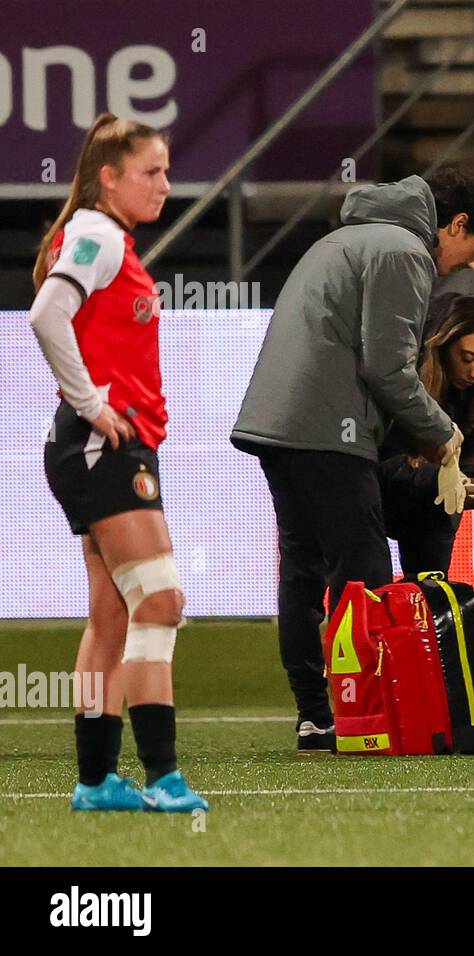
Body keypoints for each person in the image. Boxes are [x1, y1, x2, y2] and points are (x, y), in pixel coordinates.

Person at [231, 167, 474, 753]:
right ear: (455, 224)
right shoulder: (405, 250)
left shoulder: (352, 238)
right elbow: (388, 369)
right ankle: (377, 718)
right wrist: (447, 436)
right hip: (327, 429)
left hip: (279, 423)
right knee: (367, 581)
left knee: (304, 576)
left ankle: (317, 716)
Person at [29, 113, 206, 811]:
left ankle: (97, 780)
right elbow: (46, 314)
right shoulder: (99, 235)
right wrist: (94, 403)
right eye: (151, 172)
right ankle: (163, 777)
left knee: (111, 616)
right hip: (103, 446)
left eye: (166, 170)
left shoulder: (103, 237)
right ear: (109, 176)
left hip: (95, 445)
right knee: (160, 602)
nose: (165, 184)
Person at [379, 293, 474, 576]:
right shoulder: (404, 372)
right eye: (467, 358)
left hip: (432, 505)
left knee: (431, 588)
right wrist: (440, 476)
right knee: (363, 584)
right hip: (370, 490)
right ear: (442, 346)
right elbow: (380, 463)